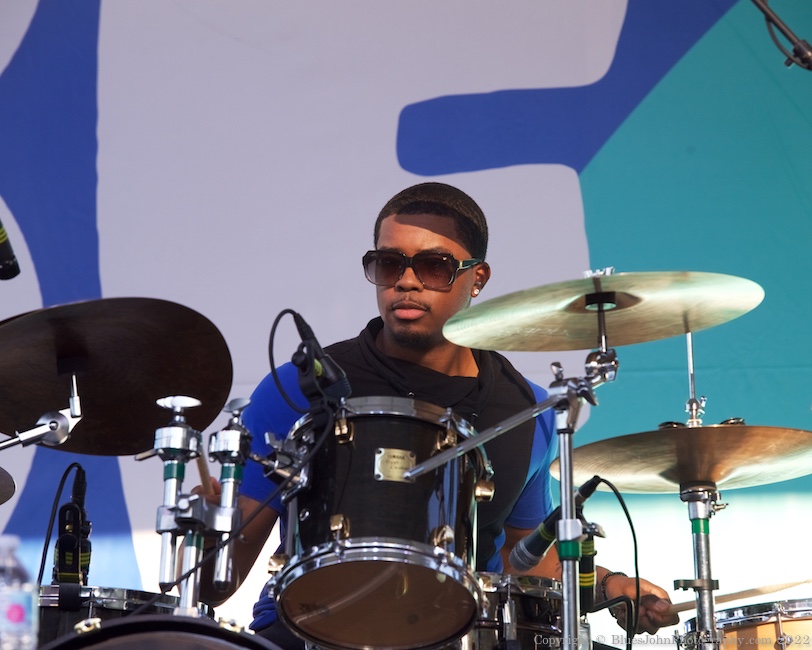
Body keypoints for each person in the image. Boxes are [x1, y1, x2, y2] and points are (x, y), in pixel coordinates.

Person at [197, 182, 679, 648]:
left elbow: (523, 558)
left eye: (434, 266)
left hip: (461, 633)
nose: (406, 281)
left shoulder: (526, 410)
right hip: (307, 631)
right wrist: (207, 532)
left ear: (478, 278)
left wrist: (611, 585)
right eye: (389, 263)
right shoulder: (301, 388)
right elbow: (216, 584)